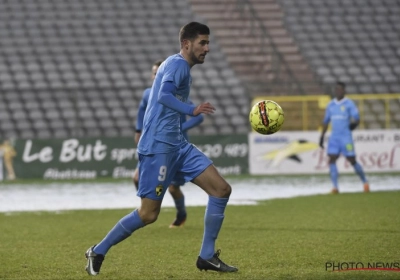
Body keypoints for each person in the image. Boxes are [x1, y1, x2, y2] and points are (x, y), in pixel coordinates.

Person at [85, 22, 238, 276]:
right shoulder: (178, 65)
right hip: (158, 148)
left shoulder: (178, 65)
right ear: (186, 44)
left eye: (208, 43)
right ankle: (97, 251)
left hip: (178, 145)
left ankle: (207, 256)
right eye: (203, 42)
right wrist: (192, 109)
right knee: (148, 214)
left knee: (221, 190)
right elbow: (163, 96)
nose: (207, 48)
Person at [133, 60, 204, 228]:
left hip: (175, 145)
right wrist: (138, 130)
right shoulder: (147, 94)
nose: (157, 76)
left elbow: (199, 117)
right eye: (155, 73)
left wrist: (181, 126)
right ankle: (146, 208)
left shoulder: (177, 96)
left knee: (173, 187)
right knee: (136, 177)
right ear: (152, 76)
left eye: (160, 73)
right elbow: (141, 110)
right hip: (153, 143)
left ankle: (181, 215)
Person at [319, 82, 369, 194]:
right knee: (331, 159)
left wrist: (354, 125)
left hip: (346, 137)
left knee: (352, 160)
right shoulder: (331, 105)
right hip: (334, 138)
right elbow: (326, 122)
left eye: (340, 89)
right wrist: (322, 137)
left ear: (344, 91)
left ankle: (365, 182)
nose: (338, 91)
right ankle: (335, 187)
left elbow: (356, 118)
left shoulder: (349, 104)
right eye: (336, 89)